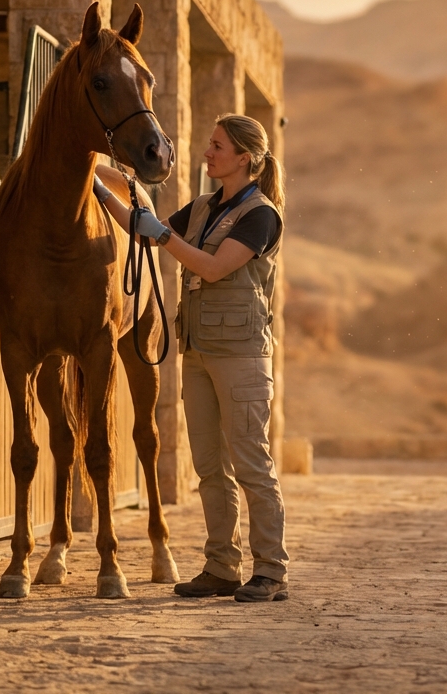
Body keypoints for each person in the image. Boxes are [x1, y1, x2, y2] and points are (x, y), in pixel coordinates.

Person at [93, 113, 288, 602]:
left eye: (217, 146)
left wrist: (159, 233)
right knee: (209, 467)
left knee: (251, 464)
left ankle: (270, 571)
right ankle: (222, 566)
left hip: (242, 356)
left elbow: (214, 267)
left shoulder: (260, 214)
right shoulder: (203, 207)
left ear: (244, 157)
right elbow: (142, 218)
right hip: (198, 351)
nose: (207, 152)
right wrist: (92, 177)